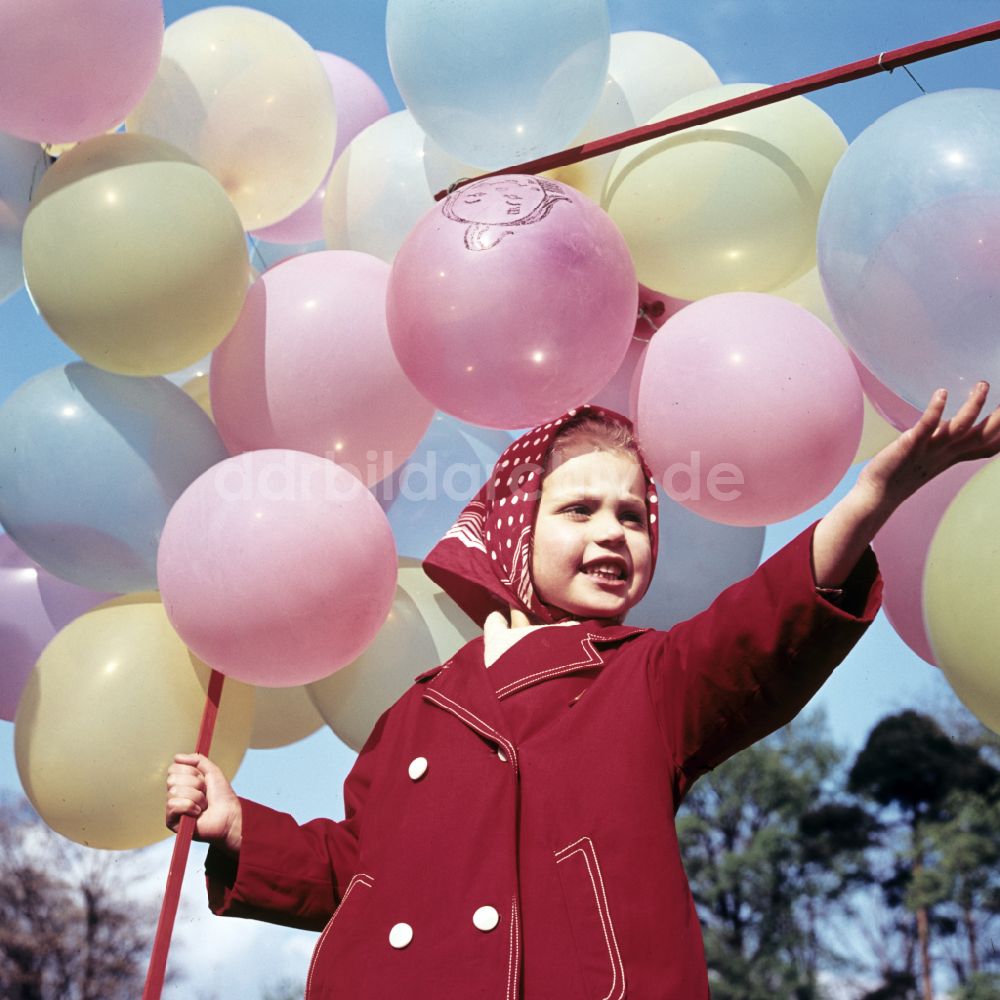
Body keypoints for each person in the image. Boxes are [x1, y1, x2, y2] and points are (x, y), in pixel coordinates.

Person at [166, 384, 1000, 999]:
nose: (613, 533)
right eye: (580, 510)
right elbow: (357, 870)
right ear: (513, 531)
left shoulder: (649, 675)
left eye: (634, 517)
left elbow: (759, 629)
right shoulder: (414, 712)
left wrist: (869, 499)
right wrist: (239, 826)